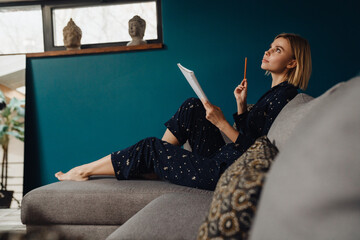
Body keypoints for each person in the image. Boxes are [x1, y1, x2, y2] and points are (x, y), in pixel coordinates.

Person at [55, 33, 312, 191]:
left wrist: (223, 123)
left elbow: (258, 153)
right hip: (225, 157)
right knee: (193, 105)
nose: (268, 51)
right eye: (271, 46)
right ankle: (156, 167)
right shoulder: (275, 93)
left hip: (225, 171)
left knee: (150, 146)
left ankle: (83, 171)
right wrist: (241, 106)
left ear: (292, 62)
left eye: (277, 50)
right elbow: (252, 135)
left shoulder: (286, 96)